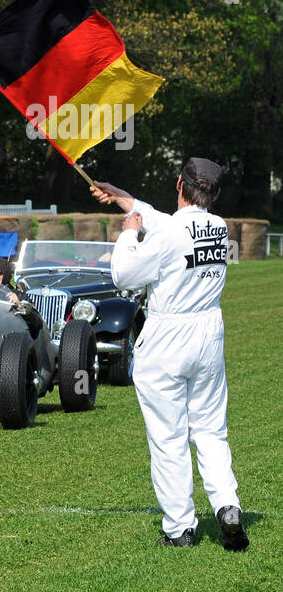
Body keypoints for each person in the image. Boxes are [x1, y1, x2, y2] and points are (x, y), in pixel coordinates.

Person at [92, 159, 248, 551]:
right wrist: (123, 198)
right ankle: (227, 504)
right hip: (208, 332)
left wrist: (129, 234)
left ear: (179, 182)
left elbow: (124, 276)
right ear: (213, 193)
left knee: (169, 436)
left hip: (168, 334)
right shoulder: (218, 226)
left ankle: (180, 528)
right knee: (211, 429)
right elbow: (170, 222)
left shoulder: (169, 232)